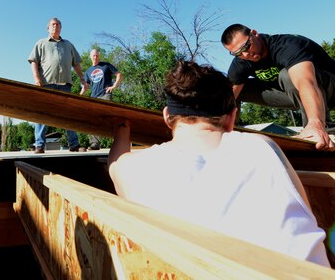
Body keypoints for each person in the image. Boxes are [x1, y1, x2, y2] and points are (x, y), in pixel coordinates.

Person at [108, 60, 330, 267]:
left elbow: (115, 163)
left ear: (167, 117)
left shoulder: (136, 169)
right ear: (232, 117)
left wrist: (122, 128)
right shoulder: (262, 147)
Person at [221, 24, 335, 151]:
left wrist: (315, 124)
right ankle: (226, 133)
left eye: (247, 46)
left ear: (254, 33)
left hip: (327, 89)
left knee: (286, 75)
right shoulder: (241, 62)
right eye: (238, 53)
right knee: (230, 91)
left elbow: (306, 82)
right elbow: (227, 97)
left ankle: (324, 128)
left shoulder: (287, 45)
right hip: (293, 95)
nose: (246, 54)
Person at [28, 17, 88, 154]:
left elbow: (76, 64)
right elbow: (34, 62)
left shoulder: (68, 45)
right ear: (48, 28)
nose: (55, 26)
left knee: (68, 115)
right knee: (43, 114)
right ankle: (39, 145)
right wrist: (36, 78)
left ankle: (74, 145)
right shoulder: (41, 43)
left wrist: (83, 79)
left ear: (61, 28)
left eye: (58, 24)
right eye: (52, 25)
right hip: (46, 84)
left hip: (65, 86)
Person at [80, 48, 123, 149]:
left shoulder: (106, 65)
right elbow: (85, 87)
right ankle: (95, 143)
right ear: (90, 57)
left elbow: (119, 75)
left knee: (107, 118)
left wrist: (114, 86)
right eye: (94, 56)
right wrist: (79, 96)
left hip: (105, 95)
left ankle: (119, 140)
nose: (95, 57)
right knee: (92, 119)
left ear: (99, 56)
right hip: (93, 97)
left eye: (97, 55)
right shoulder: (88, 71)